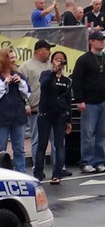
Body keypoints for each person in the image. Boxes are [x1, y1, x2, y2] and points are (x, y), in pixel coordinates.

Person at [0, 46, 31, 173]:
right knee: (0, 149)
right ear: (3, 59)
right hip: (1, 118)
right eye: (11, 58)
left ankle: (21, 173)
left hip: (17, 117)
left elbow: (27, 93)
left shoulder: (18, 75)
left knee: (19, 148)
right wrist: (4, 83)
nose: (13, 60)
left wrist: (20, 82)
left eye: (14, 57)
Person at [33, 50, 73, 184]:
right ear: (52, 61)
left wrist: (69, 120)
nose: (59, 61)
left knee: (59, 145)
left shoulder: (67, 81)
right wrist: (53, 71)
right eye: (56, 59)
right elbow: (43, 85)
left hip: (60, 116)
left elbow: (68, 101)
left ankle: (57, 173)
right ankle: (38, 173)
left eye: (61, 59)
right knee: (42, 145)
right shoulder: (46, 75)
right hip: (45, 114)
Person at [71, 30, 105, 174]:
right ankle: (86, 161)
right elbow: (77, 81)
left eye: (103, 40)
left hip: (103, 101)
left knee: (101, 133)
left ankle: (100, 161)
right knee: (88, 133)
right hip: (89, 102)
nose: (102, 42)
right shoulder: (84, 59)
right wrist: (80, 100)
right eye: (99, 39)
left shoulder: (104, 58)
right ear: (91, 41)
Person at [19, 39, 52, 154]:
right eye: (47, 49)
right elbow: (21, 87)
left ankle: (58, 167)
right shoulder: (26, 67)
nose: (50, 52)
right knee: (37, 139)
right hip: (36, 108)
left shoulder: (51, 65)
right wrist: (26, 103)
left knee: (56, 140)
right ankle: (37, 166)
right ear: (39, 51)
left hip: (52, 108)